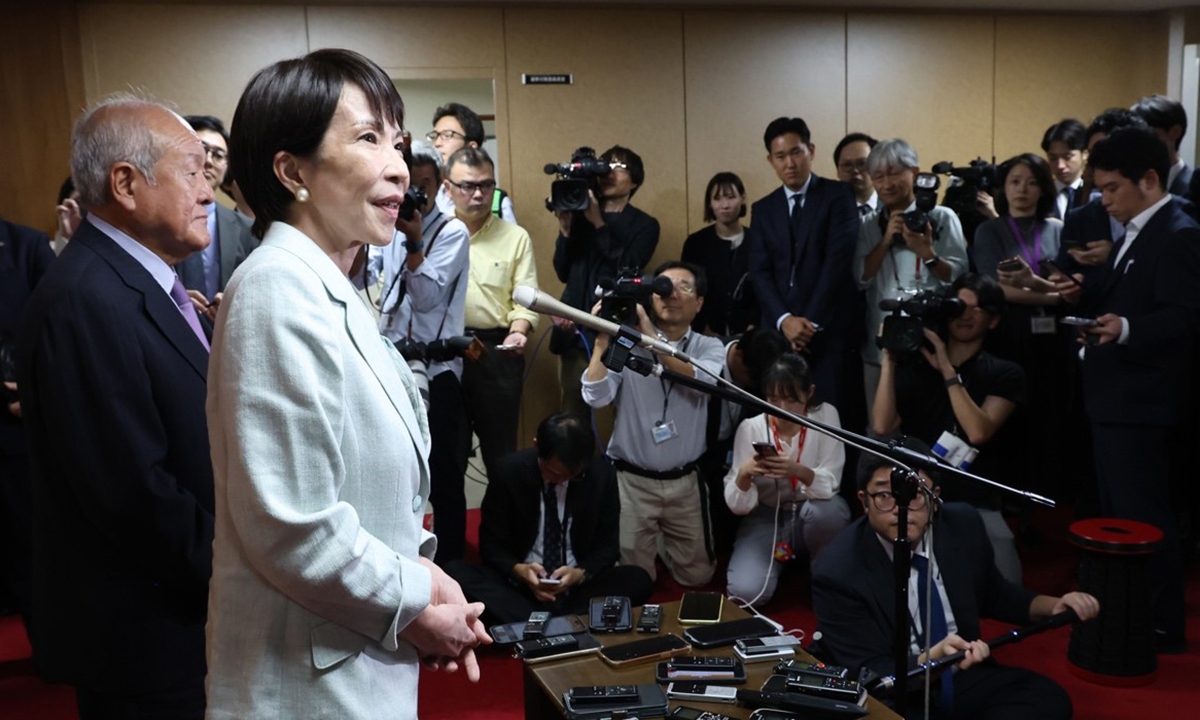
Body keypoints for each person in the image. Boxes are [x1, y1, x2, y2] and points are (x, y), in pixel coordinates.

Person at [204, 49, 490, 719]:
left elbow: (373, 493)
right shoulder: (276, 290)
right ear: (292, 170)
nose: (398, 165)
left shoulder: (335, 288)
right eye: (367, 138)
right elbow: (292, 527)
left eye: (398, 139)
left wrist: (428, 574)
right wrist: (415, 601)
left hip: (348, 664)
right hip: (301, 685)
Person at [16, 94, 216, 719]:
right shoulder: (87, 300)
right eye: (193, 171)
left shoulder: (131, 280)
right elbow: (134, 492)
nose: (210, 190)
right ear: (126, 184)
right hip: (147, 636)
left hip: (174, 621)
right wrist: (237, 577)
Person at [812, 453, 1100, 720]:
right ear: (864, 500)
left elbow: (995, 594)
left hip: (960, 671)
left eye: (915, 494)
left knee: (1048, 699)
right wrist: (931, 660)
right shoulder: (837, 570)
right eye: (886, 495)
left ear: (935, 498)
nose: (902, 509)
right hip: (897, 688)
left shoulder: (962, 525)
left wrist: (1054, 605)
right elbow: (872, 672)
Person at [1059, 127, 1200, 654]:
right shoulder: (1141, 230)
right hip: (1116, 398)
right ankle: (1135, 610)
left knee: (1146, 518)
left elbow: (1184, 317)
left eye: (1114, 188)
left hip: (1143, 403)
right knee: (1123, 517)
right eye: (1100, 189)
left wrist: (1123, 328)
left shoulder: (1179, 231)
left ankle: (1161, 622)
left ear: (1149, 179)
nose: (1106, 201)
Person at [872, 273, 1025, 583]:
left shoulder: (1005, 373)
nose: (965, 315)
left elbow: (978, 431)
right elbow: (882, 425)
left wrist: (946, 369)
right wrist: (889, 359)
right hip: (918, 490)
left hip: (973, 494)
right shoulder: (914, 367)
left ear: (993, 321)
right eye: (958, 307)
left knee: (1008, 582)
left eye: (975, 308)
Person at [361, 142, 472, 564]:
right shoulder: (391, 225)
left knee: (444, 472)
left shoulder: (452, 231)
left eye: (422, 186)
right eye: (407, 184)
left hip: (438, 366)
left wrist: (415, 242)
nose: (414, 197)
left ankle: (455, 564)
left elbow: (425, 298)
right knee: (398, 467)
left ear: (440, 185)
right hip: (394, 360)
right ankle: (403, 556)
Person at [582, 260, 725, 586]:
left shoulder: (709, 346)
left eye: (684, 287)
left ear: (700, 303)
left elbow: (698, 381)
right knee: (635, 581)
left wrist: (648, 335)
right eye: (663, 286)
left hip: (684, 481)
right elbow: (596, 396)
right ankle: (654, 542)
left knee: (698, 577)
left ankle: (662, 541)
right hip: (632, 482)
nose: (671, 294)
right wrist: (605, 338)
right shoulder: (627, 343)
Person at [445, 413, 653, 625]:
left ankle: (538, 624)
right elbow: (491, 545)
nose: (562, 481)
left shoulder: (600, 474)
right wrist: (519, 570)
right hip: (520, 587)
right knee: (454, 572)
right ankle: (568, 623)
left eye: (572, 476)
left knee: (638, 578)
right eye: (555, 473)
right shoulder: (509, 471)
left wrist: (579, 574)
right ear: (537, 447)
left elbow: (608, 547)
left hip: (576, 588)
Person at [973, 155, 1069, 502]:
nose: (1022, 190)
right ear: (1004, 187)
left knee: (1050, 412)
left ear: (1043, 188)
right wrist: (1052, 294)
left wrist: (1050, 293)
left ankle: (1047, 491)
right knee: (1009, 414)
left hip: (1053, 339)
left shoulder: (1059, 229)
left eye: (1031, 182)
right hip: (1007, 334)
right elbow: (992, 288)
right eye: (1015, 181)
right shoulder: (990, 231)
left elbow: (1071, 287)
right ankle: (1010, 492)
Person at [747, 117, 860, 410]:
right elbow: (759, 272)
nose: (790, 163)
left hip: (827, 330)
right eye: (781, 156)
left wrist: (807, 324)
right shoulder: (763, 209)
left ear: (810, 150)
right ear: (770, 160)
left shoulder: (839, 196)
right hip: (778, 333)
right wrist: (785, 320)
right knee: (778, 416)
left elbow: (837, 264)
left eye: (796, 152)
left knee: (830, 416)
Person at [855, 138, 969, 419]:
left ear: (915, 173)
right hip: (881, 344)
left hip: (931, 343)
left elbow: (958, 277)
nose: (886, 183)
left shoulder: (943, 217)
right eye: (878, 176)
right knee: (880, 430)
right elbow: (861, 278)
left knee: (932, 422)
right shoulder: (869, 224)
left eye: (894, 173)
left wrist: (927, 253)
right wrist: (883, 242)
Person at [723, 353, 848, 604]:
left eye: (791, 400)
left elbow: (832, 483)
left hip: (811, 510)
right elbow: (737, 506)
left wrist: (799, 471)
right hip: (768, 515)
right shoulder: (751, 428)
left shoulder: (825, 416)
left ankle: (822, 574)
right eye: (773, 399)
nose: (780, 409)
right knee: (745, 594)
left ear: (809, 392)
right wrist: (745, 474)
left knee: (828, 512)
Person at [450, 145, 540, 493]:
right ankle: (450, 545)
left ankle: (500, 544)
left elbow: (526, 297)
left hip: (497, 351)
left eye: (486, 186)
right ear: (447, 188)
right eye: (467, 186)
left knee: (501, 455)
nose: (477, 194)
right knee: (448, 454)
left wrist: (520, 331)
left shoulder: (514, 236)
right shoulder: (433, 235)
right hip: (447, 354)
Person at [552, 145, 659, 423]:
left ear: (635, 180)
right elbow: (562, 271)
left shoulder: (645, 225)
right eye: (606, 165)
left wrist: (599, 222)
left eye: (620, 167)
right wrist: (565, 231)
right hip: (574, 329)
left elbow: (627, 270)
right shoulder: (578, 215)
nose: (610, 172)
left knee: (623, 414)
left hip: (616, 328)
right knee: (572, 415)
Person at [0, 215, 54, 632]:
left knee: (30, 546)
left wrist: (38, 391)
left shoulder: (27, 246)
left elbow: (57, 329)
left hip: (18, 421)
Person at [175, 115, 258, 322]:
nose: (209, 161)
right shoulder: (155, 219)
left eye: (219, 155)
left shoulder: (246, 228)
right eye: (203, 149)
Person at [682, 171, 757, 336]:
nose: (725, 205)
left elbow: (765, 288)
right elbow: (688, 289)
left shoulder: (757, 241)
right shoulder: (696, 243)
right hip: (703, 333)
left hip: (751, 334)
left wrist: (753, 328)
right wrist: (703, 327)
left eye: (731, 197)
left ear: (742, 198)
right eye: (717, 199)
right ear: (709, 203)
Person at [427, 102, 517, 223]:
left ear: (471, 147)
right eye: (435, 136)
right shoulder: (429, 195)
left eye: (447, 135)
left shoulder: (498, 202)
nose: (437, 143)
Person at [1131, 94, 1192, 197]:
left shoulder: (1193, 187)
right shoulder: (1131, 184)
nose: (1139, 143)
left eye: (1147, 134)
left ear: (1175, 132)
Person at [1040, 119, 1090, 220]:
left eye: (1067, 156)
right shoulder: (1041, 194)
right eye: (1053, 158)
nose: (1060, 165)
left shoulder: (1096, 193)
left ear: (1084, 154)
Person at [834, 132, 881, 217]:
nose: (855, 171)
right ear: (838, 170)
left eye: (862, 163)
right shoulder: (825, 212)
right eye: (847, 165)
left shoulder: (894, 207)